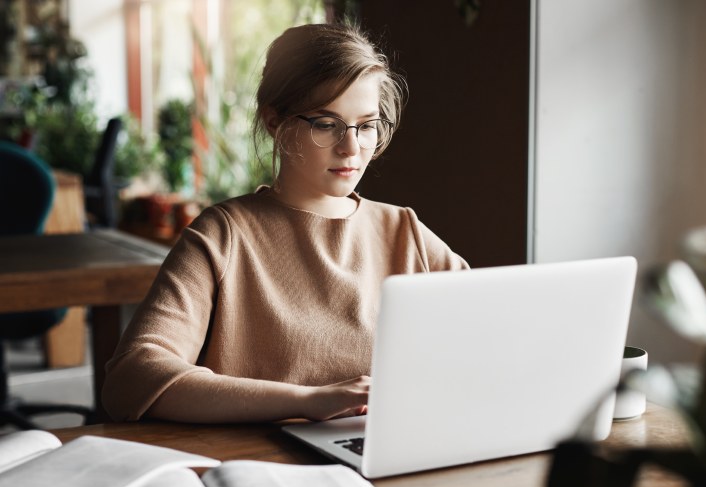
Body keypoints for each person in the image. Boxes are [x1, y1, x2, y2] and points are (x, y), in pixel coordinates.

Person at [102, 24, 468, 424]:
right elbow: (132, 378)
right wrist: (305, 401)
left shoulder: (406, 233)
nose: (352, 148)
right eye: (327, 124)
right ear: (274, 121)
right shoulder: (223, 235)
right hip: (263, 470)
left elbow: (491, 339)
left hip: (386, 459)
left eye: (366, 126)